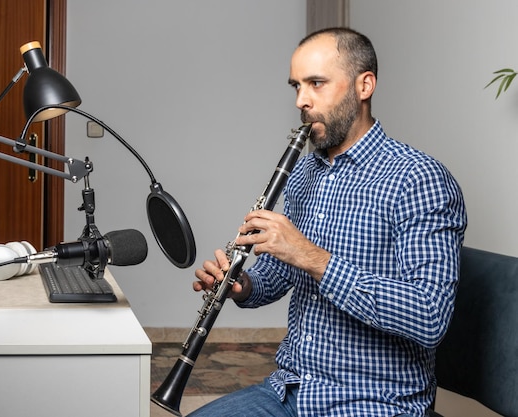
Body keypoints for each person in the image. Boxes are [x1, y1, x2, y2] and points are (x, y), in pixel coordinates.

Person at [189, 27, 467, 417]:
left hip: (373, 402)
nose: (302, 101)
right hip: (291, 388)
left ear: (364, 85)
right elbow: (282, 271)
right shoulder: (304, 174)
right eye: (296, 87)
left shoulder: (418, 179)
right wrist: (244, 285)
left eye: (316, 83)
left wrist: (313, 257)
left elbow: (429, 315)